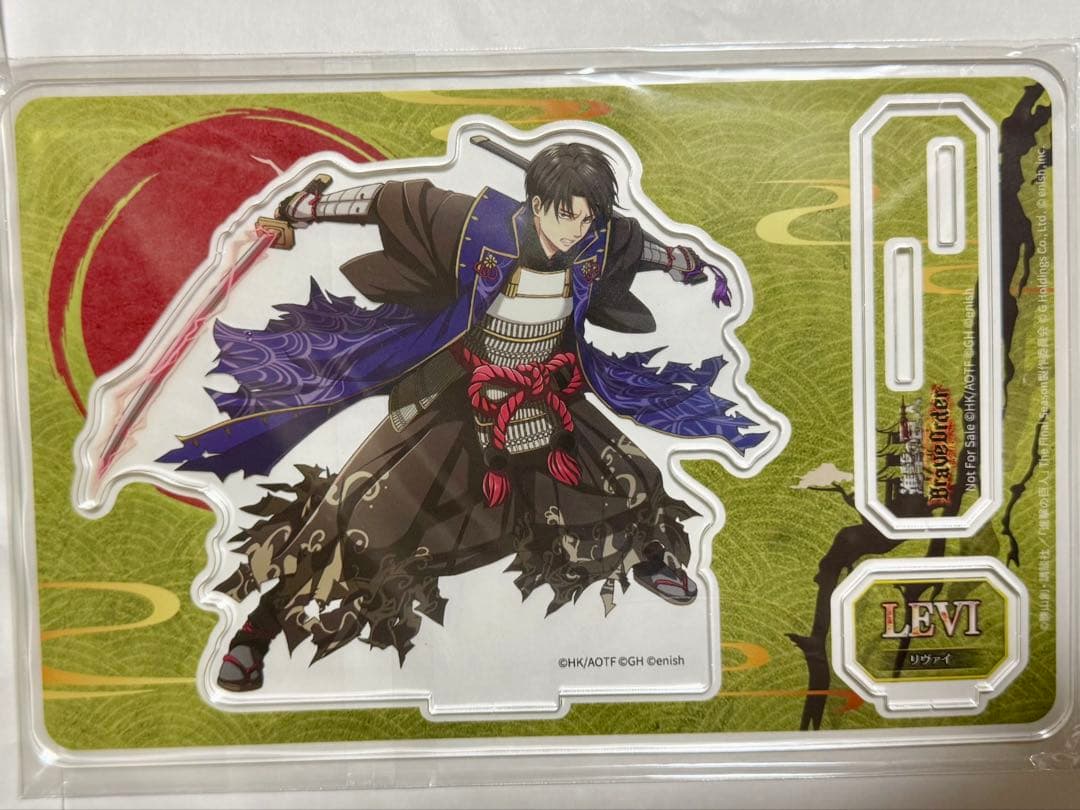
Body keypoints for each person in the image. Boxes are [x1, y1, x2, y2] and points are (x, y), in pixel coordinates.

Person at [160, 141, 766, 691]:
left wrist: (680, 260)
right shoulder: (475, 224)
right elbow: (389, 201)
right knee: (359, 513)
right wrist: (307, 209)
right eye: (567, 215)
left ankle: (649, 559)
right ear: (537, 203)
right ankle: (256, 632)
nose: (577, 231)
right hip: (460, 395)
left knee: (631, 479)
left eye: (587, 218)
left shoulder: (596, 239)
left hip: (545, 394)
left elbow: (640, 249)